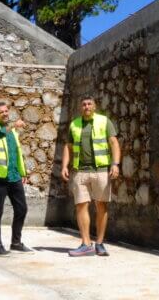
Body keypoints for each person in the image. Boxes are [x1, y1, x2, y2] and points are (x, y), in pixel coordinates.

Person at [61, 95, 121, 257]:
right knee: (81, 205)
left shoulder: (104, 121)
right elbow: (68, 146)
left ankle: (100, 243)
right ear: (80, 108)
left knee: (101, 206)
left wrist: (115, 164)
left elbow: (114, 143)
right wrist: (65, 165)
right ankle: (86, 244)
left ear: (94, 107)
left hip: (101, 170)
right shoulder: (74, 124)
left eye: (89, 104)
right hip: (80, 171)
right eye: (84, 104)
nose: (86, 106)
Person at [0, 101, 34, 256]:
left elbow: (16, 153)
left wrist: (23, 172)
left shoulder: (13, 133)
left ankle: (16, 242)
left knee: (22, 209)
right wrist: (13, 126)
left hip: (14, 177)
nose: (5, 113)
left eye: (6, 111)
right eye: (1, 112)